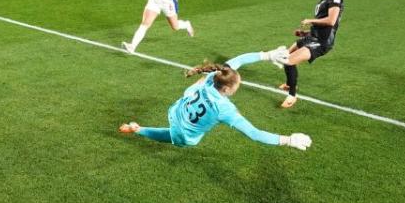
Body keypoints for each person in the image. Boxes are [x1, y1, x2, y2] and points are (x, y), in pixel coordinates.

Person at [119, 49, 312, 151]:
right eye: (238, 85)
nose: (239, 85)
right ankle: (139, 130)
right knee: (179, 137)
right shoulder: (224, 109)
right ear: (227, 89)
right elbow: (254, 134)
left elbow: (239, 61)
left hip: (176, 111)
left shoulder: (215, 76)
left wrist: (266, 55)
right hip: (184, 134)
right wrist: (288, 140)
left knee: (196, 88)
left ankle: (136, 128)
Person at [277, 0, 343, 108]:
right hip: (312, 37)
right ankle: (290, 83)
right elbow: (323, 25)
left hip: (321, 42)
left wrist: (310, 21)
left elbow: (331, 21)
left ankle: (292, 95)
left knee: (288, 61)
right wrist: (304, 33)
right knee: (287, 56)